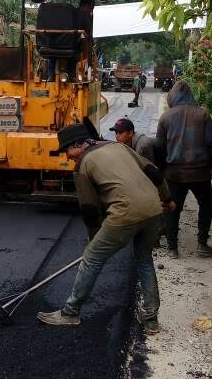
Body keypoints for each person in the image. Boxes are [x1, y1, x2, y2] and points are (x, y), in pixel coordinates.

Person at [37, 124, 174, 335]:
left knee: (91, 259)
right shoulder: (118, 147)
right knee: (144, 261)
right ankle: (151, 320)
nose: (67, 156)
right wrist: (167, 198)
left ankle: (70, 312)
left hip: (125, 213)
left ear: (78, 146)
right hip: (154, 210)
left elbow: (90, 210)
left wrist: (94, 242)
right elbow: (153, 171)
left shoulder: (82, 165)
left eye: (67, 150)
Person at [157, 80, 212, 258]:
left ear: (172, 97)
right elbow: (211, 143)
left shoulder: (166, 117)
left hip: (174, 173)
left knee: (172, 208)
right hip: (200, 172)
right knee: (205, 205)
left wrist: (162, 169)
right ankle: (201, 243)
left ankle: (172, 248)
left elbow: (159, 147)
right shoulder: (203, 114)